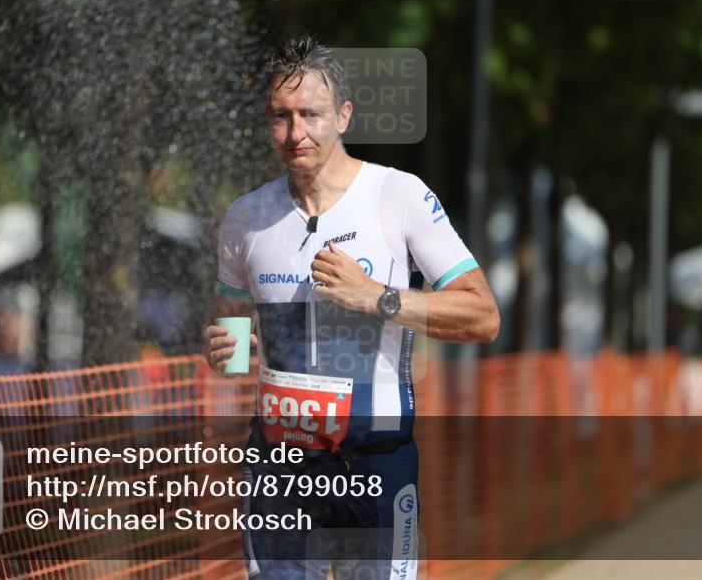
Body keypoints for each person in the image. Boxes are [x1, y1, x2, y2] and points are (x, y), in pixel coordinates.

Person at [203, 35, 500, 579]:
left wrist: (377, 298)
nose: (296, 134)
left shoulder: (398, 195)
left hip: (375, 465)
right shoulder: (244, 218)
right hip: (279, 468)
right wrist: (227, 351)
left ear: (343, 115)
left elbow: (482, 315)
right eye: (281, 116)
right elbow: (233, 340)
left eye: (311, 114)